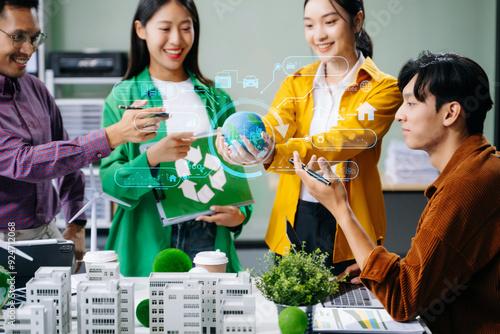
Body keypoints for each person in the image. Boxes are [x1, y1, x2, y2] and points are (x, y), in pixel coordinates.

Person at [294, 51, 500, 333]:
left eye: (412, 104)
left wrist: (340, 207)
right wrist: (373, 267)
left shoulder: (467, 185)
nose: (399, 114)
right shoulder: (480, 167)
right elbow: (434, 270)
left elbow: (403, 300)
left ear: (451, 113)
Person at [217, 0, 402, 274]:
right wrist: (246, 142)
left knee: (348, 312)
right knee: (291, 313)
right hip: (295, 217)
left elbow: (341, 141)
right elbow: (274, 126)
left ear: (357, 21)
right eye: (309, 25)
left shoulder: (383, 89)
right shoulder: (296, 83)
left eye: (330, 22)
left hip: (350, 223)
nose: (319, 35)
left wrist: (271, 152)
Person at [0, 0, 171, 273]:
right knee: (10, 315)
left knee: (60, 312)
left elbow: (63, 156)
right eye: (18, 37)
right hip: (5, 240)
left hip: (48, 230)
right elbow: (26, 163)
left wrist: (76, 224)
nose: (29, 49)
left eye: (34, 38)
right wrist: (115, 134)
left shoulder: (34, 88)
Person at [99, 0, 253, 277]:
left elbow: (235, 173)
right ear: (141, 29)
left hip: (209, 239)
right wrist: (152, 158)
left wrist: (239, 216)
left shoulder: (217, 98)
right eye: (165, 28)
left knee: (210, 318)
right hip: (148, 239)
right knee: (153, 317)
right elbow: (112, 184)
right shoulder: (123, 97)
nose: (177, 40)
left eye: (186, 28)